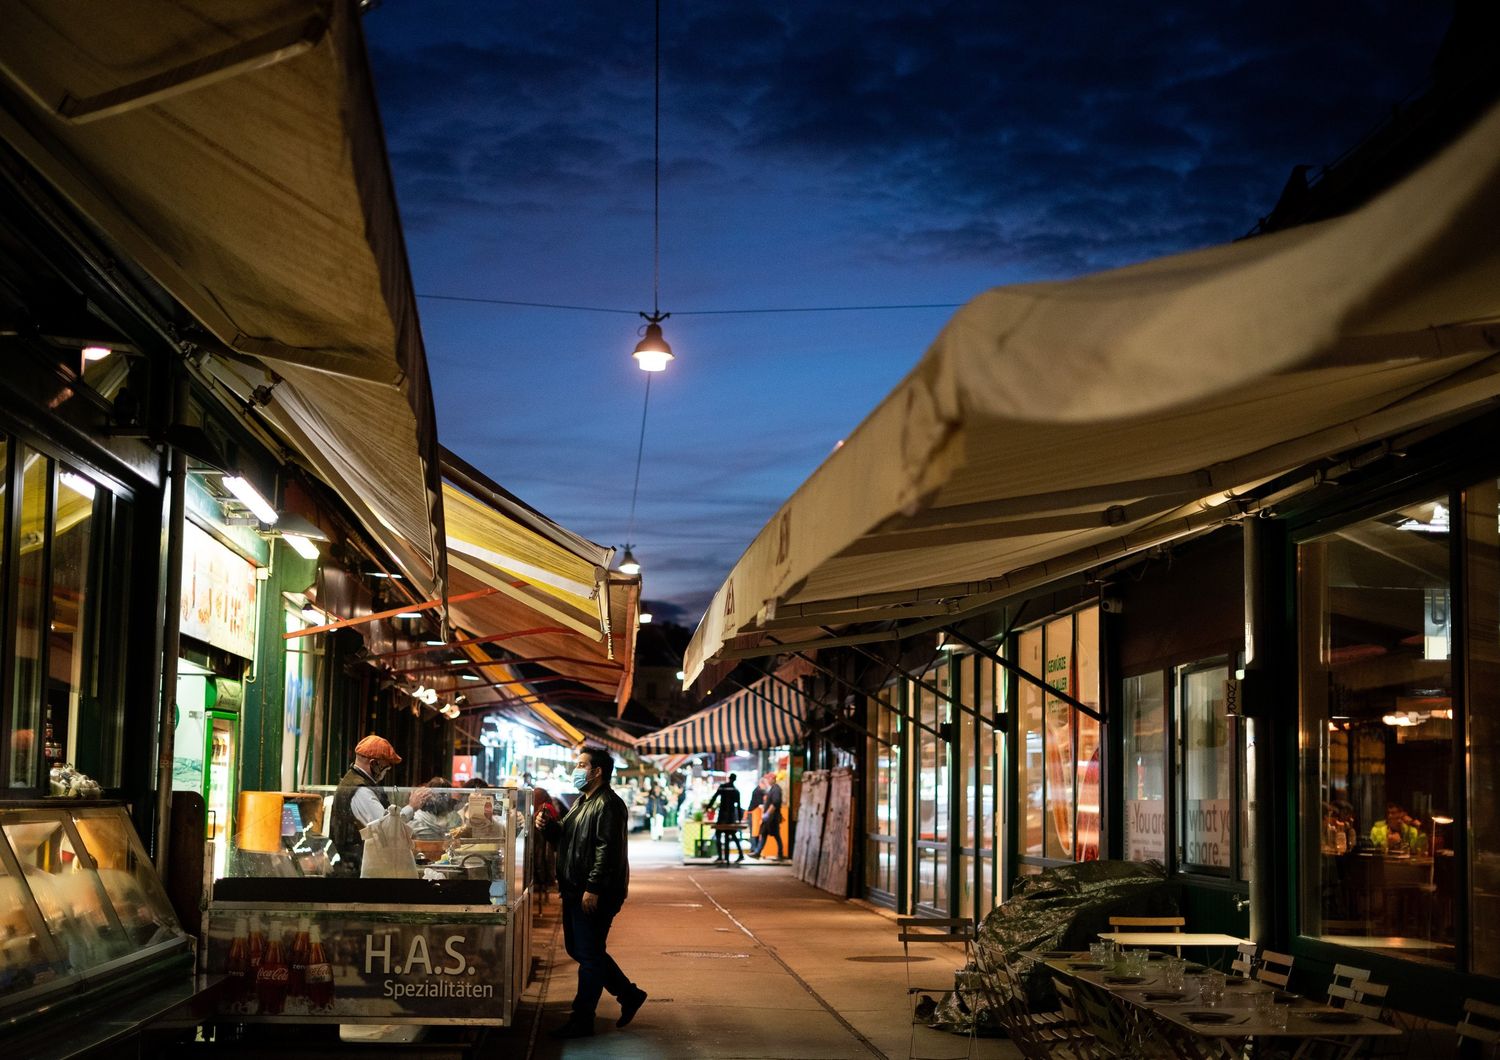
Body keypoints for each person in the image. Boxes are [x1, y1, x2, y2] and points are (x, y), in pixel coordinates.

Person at [535, 747, 647, 1039]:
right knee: (583, 950)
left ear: (597, 771)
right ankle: (628, 994)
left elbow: (606, 850)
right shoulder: (583, 802)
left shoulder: (608, 804)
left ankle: (583, 1017)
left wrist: (593, 888)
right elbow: (567, 839)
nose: (576, 769)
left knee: (589, 955)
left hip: (594, 891)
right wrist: (548, 828)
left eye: (582, 764)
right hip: (574, 887)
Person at [329, 734, 402, 877]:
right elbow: (385, 827)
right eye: (386, 768)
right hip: (357, 869)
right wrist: (412, 807)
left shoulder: (354, 782)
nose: (386, 773)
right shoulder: (361, 790)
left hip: (353, 865)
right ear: (374, 764)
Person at [706, 774, 744, 863]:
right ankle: (735, 855)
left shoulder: (723, 787)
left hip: (722, 816)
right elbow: (738, 805)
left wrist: (708, 807)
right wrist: (739, 818)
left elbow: (714, 797)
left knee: (718, 834)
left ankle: (721, 856)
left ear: (729, 778)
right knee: (732, 835)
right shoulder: (736, 791)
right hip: (731, 817)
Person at [759, 774, 785, 860]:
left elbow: (775, 803)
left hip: (773, 818)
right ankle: (757, 852)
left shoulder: (776, 789)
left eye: (768, 779)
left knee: (776, 835)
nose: (767, 781)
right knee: (764, 833)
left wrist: (767, 814)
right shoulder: (772, 789)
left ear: (772, 779)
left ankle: (780, 854)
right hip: (770, 817)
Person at [745, 776, 768, 856]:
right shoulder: (758, 791)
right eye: (765, 784)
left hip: (754, 814)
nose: (765, 786)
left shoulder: (758, 790)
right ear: (761, 783)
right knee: (754, 832)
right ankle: (754, 849)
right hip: (753, 814)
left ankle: (754, 849)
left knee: (755, 832)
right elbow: (760, 804)